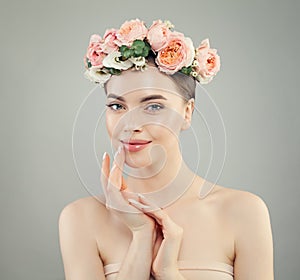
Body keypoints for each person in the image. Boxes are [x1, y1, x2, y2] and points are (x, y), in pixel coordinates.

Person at [58, 19, 274, 280]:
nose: (130, 124)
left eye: (153, 106)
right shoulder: (80, 219)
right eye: (117, 106)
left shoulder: (243, 212)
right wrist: (140, 236)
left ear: (187, 112)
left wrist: (169, 272)